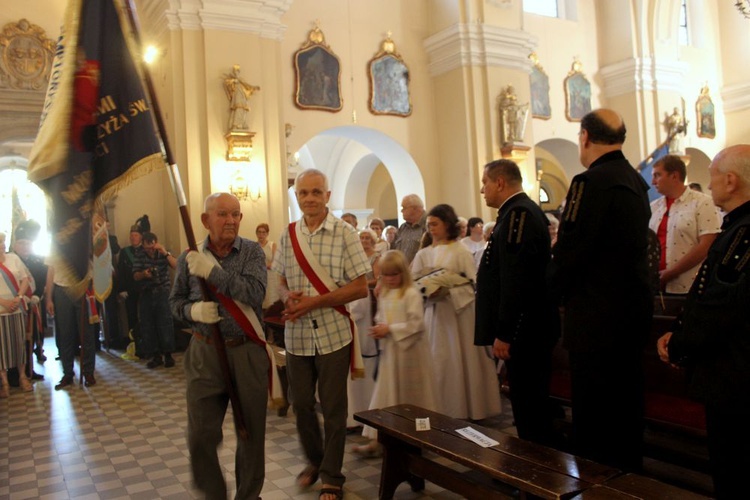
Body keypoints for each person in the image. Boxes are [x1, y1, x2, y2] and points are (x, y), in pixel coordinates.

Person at [550, 108, 652, 471]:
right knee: (626, 407)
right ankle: (631, 481)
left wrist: (548, 293)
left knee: (594, 416)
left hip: (595, 317)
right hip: (632, 311)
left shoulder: (589, 182)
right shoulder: (636, 181)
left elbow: (571, 250)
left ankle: (597, 485)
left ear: (585, 137)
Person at [657, 145, 750, 499]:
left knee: (733, 467)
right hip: (733, 370)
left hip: (735, 374)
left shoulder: (743, 232)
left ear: (731, 180)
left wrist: (680, 343)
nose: (708, 186)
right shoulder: (738, 227)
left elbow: (721, 305)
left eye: (712, 176)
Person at [272, 168, 370, 500]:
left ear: (328, 196)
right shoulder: (287, 234)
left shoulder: (345, 234)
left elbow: (360, 287)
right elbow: (280, 279)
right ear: (296, 196)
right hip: (296, 335)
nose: (310, 198)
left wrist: (315, 302)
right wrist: (287, 297)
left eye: (317, 192)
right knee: (300, 404)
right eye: (304, 193)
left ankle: (332, 475)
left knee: (332, 408)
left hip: (332, 334)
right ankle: (315, 460)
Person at [169, 192, 269, 499]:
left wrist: (213, 274)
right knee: (200, 433)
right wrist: (192, 311)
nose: (231, 221)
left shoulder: (252, 252)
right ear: (205, 220)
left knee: (250, 432)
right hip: (204, 351)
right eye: (223, 214)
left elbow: (254, 293)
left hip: (246, 350)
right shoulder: (190, 256)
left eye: (236, 214)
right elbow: (175, 303)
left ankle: (248, 495)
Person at [475, 159, 560, 446]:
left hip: (526, 330)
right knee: (525, 404)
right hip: (528, 327)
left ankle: (539, 476)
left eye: (485, 182)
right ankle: (534, 471)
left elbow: (516, 279)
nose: (482, 189)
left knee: (529, 405)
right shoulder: (513, 213)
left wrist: (505, 332)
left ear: (500, 182)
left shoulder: (518, 215)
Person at [411, 204, 501, 420]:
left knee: (459, 359)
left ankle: (468, 408)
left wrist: (446, 290)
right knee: (438, 361)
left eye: (435, 224)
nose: (431, 228)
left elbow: (470, 284)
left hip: (458, 315)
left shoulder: (460, 250)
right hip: (434, 315)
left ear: (447, 224)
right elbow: (413, 283)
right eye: (428, 225)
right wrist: (424, 291)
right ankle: (439, 409)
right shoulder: (424, 254)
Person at [353, 250, 436, 457]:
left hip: (411, 356)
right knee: (387, 397)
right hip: (391, 354)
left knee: (411, 399)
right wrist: (380, 328)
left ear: (403, 273)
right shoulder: (386, 293)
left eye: (393, 274)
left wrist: (389, 329)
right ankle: (377, 441)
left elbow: (416, 324)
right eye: (384, 275)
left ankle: (417, 440)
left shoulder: (411, 293)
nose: (389, 279)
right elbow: (382, 316)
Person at [649, 155, 721, 294]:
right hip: (656, 284)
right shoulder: (654, 207)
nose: (653, 182)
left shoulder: (702, 202)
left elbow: (707, 244)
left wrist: (672, 272)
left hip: (689, 284)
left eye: (657, 175)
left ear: (674, 176)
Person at [346, 228, 381, 429]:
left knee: (364, 359)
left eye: (368, 238)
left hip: (366, 304)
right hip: (357, 305)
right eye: (362, 237)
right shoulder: (354, 259)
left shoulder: (374, 258)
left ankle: (365, 410)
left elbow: (376, 278)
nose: (364, 240)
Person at [47, 265, 99, 389]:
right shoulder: (56, 246)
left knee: (87, 333)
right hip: (62, 289)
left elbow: (95, 265)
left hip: (83, 287)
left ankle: (88, 372)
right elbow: (51, 270)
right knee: (65, 334)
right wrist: (49, 298)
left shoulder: (86, 244)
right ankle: (68, 373)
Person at [133, 232, 177, 369]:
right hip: (146, 292)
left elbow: (176, 265)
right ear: (143, 246)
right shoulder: (139, 255)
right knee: (148, 325)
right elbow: (135, 276)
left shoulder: (162, 253)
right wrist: (143, 274)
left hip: (162, 292)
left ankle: (168, 355)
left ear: (156, 243)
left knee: (165, 323)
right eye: (147, 248)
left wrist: (164, 252)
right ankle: (155, 356)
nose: (150, 250)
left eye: (152, 247)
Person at [0, 232, 33, 397]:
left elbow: (25, 279)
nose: (3, 245)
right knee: (1, 347)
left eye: (4, 242)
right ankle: (4, 382)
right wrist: (4, 302)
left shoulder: (13, 258)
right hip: (1, 309)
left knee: (19, 343)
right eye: (0, 243)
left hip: (17, 307)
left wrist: (18, 297)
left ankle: (22, 376)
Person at [117, 225, 143, 351]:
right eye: (131, 235)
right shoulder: (124, 252)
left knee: (145, 315)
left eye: (136, 235)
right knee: (131, 315)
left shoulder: (146, 250)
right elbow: (120, 271)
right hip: (130, 289)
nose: (133, 238)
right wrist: (121, 289)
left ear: (141, 237)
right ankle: (134, 342)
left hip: (144, 289)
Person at [223, 65, 260, 131]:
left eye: (237, 71)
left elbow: (247, 86)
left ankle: (243, 123)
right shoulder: (232, 80)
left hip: (242, 96)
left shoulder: (241, 80)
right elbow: (227, 84)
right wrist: (233, 81)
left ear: (239, 72)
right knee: (238, 108)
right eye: (235, 71)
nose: (236, 73)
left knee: (243, 109)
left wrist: (254, 88)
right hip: (237, 96)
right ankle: (236, 124)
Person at [393, 194, 427, 263]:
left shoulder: (428, 225)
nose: (401, 211)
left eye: (404, 208)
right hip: (402, 271)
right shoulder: (403, 228)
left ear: (415, 208)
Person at [255, 223, 279, 309]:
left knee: (272, 301)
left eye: (263, 232)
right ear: (256, 233)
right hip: (258, 277)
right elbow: (252, 264)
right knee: (261, 302)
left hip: (271, 276)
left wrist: (262, 266)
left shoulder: (272, 245)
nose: (261, 235)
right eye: (259, 232)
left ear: (267, 234)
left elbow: (275, 263)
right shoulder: (253, 246)